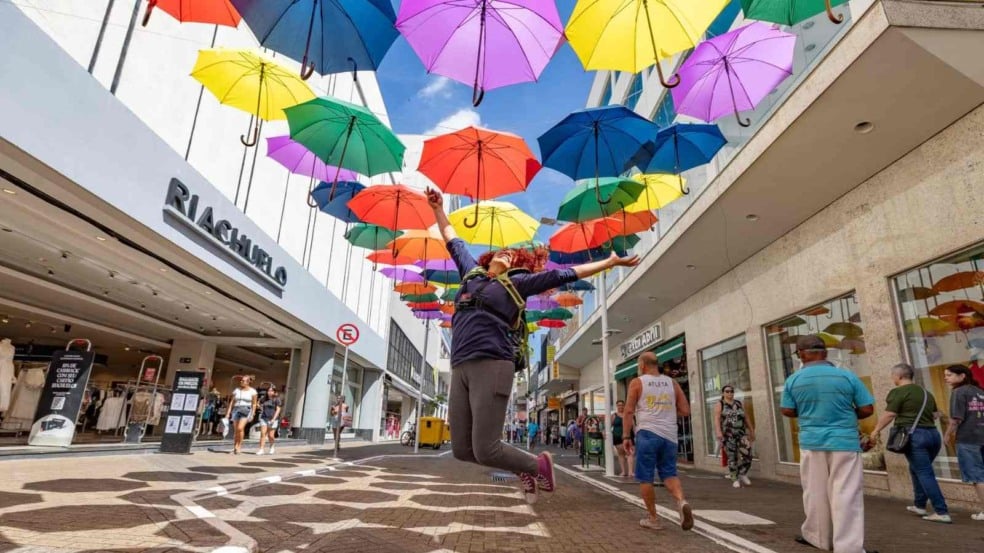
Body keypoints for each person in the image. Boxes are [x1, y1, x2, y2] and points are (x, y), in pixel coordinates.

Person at [427, 187, 640, 504]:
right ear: (488, 258)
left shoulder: (517, 284)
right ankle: (524, 469)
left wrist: (608, 263)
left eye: (512, 255)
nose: (506, 253)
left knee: (486, 447)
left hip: (492, 363)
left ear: (517, 265)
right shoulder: (470, 273)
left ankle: (538, 466)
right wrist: (437, 208)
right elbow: (451, 238)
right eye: (503, 251)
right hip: (460, 366)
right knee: (462, 450)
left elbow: (567, 273)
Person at [780, 335, 876, 553]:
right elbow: (867, 409)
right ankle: (849, 547)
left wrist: (806, 412)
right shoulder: (846, 376)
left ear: (801, 355)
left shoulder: (794, 380)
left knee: (814, 492)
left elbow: (786, 409)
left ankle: (818, 538)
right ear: (824, 353)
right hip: (845, 442)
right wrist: (846, 413)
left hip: (811, 442)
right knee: (847, 493)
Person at [870, 363, 950, 523]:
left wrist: (876, 430)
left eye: (892, 376)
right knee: (916, 469)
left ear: (898, 376)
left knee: (924, 472)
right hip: (933, 435)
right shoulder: (926, 393)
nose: (892, 378)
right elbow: (936, 414)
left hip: (915, 436)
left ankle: (941, 511)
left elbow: (890, 414)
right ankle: (919, 505)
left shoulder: (898, 392)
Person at [624, 351, 693, 531]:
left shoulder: (637, 382)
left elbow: (629, 411)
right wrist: (667, 414)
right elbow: (685, 410)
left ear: (642, 365)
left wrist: (626, 436)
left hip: (647, 433)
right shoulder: (672, 382)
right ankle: (681, 501)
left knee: (646, 476)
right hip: (669, 435)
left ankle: (653, 518)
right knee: (669, 473)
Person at [943, 364, 984, 520]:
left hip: (968, 439)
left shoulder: (959, 392)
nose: (946, 378)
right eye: (946, 375)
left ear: (962, 376)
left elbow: (955, 419)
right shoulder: (980, 391)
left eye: (950, 375)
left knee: (977, 477)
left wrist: (947, 435)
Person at [713, 385, 756, 488]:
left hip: (741, 434)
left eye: (731, 391)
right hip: (728, 435)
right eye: (727, 391)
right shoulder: (720, 404)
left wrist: (751, 430)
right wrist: (718, 432)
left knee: (748, 454)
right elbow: (717, 418)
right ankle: (734, 478)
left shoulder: (738, 403)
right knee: (732, 458)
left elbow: (746, 417)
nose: (730, 393)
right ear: (723, 393)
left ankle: (742, 473)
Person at [225, 375, 258, 455]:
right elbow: (232, 402)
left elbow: (254, 403)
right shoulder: (237, 390)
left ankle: (239, 446)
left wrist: (253, 413)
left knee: (240, 428)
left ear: (248, 382)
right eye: (241, 380)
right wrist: (228, 412)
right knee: (236, 430)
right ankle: (235, 447)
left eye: (243, 381)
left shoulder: (253, 391)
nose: (241, 382)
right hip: (236, 409)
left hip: (246, 409)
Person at [256, 386, 283, 456]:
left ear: (274, 392)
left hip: (273, 419)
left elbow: (278, 410)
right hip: (264, 418)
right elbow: (258, 403)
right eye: (268, 391)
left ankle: (272, 446)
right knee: (263, 433)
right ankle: (261, 449)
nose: (269, 392)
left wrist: (274, 419)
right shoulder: (264, 399)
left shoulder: (277, 399)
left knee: (270, 435)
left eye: (271, 391)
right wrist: (259, 406)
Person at [613, 400, 634, 479]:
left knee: (630, 453)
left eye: (622, 405)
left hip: (629, 436)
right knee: (621, 454)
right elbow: (608, 425)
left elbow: (633, 425)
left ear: (624, 406)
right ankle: (623, 471)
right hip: (617, 437)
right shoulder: (614, 416)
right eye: (618, 405)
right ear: (617, 406)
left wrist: (636, 435)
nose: (620, 407)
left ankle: (630, 471)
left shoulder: (628, 415)